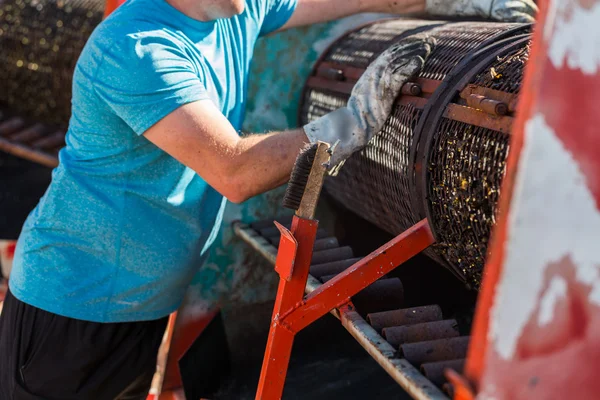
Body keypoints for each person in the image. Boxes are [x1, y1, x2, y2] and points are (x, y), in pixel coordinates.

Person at [0, 0, 536, 398]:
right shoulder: (136, 47)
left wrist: (458, 3)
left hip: (143, 301)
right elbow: (235, 169)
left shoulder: (238, 7)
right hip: (72, 308)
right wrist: (351, 123)